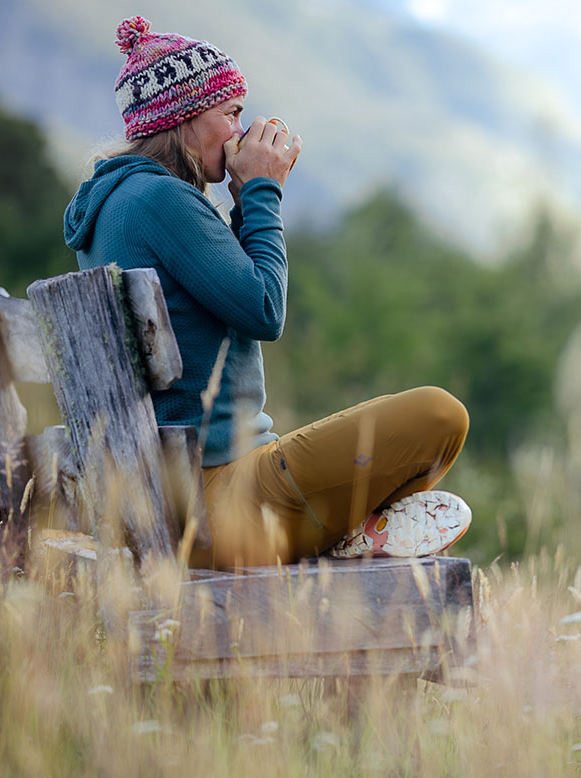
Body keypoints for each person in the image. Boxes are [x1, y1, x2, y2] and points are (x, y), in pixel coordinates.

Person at [63, 16, 471, 569]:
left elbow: (224, 297)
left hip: (170, 502)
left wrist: (240, 203)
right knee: (440, 415)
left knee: (417, 423)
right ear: (184, 118)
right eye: (230, 113)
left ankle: (348, 528)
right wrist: (260, 192)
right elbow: (264, 308)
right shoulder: (162, 201)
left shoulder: (119, 203)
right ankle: (347, 530)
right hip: (218, 506)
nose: (241, 129)